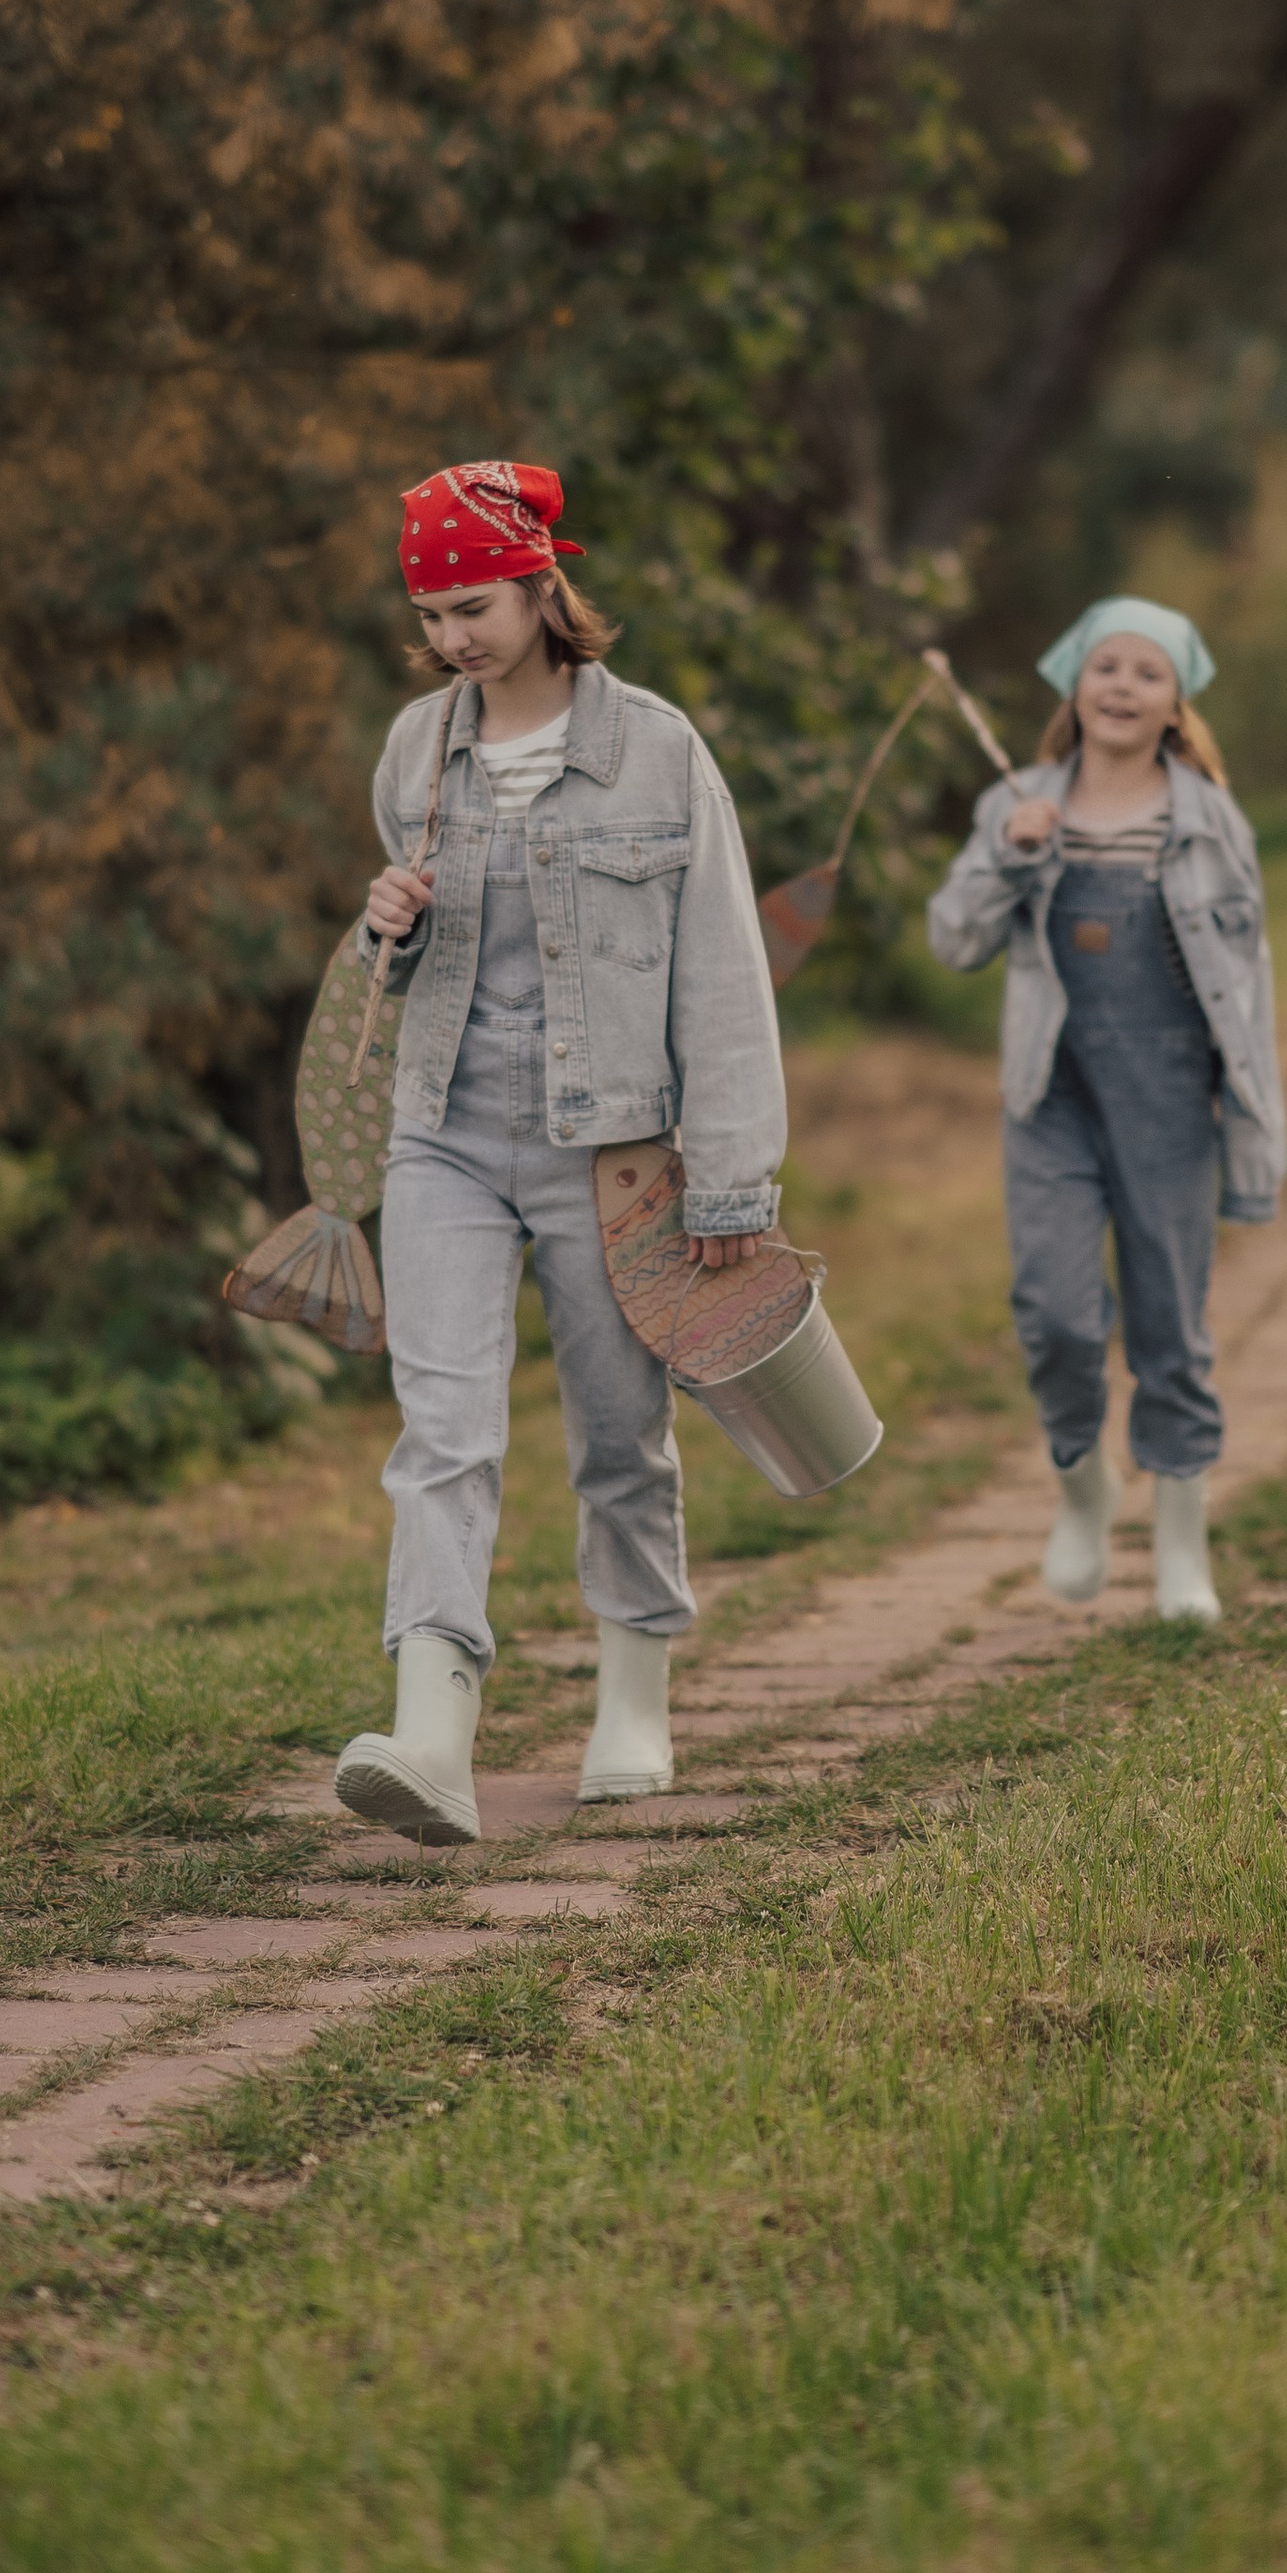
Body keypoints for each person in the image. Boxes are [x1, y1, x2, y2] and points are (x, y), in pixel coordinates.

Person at [332, 458, 785, 1845]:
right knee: (443, 1431)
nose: (452, 637)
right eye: (431, 615)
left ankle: (633, 1696)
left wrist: (731, 1181)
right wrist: (384, 927)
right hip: (446, 1136)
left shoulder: (658, 749)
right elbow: (393, 971)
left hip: (613, 1151)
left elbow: (723, 976)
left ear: (539, 586)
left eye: (472, 606)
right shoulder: (417, 751)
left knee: (617, 1432)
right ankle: (432, 1735)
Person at [925, 596, 1286, 1625]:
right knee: (1055, 1315)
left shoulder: (1208, 820)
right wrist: (1010, 853)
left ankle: (1181, 1542)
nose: (1123, 686)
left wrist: (1255, 1131)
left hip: (1168, 1095)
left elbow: (1248, 988)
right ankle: (1083, 1483)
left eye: (1148, 672)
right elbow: (952, 940)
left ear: (1177, 704)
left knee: (1170, 1323)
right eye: (1107, 667)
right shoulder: (1018, 802)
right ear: (1073, 684)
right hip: (1051, 1095)